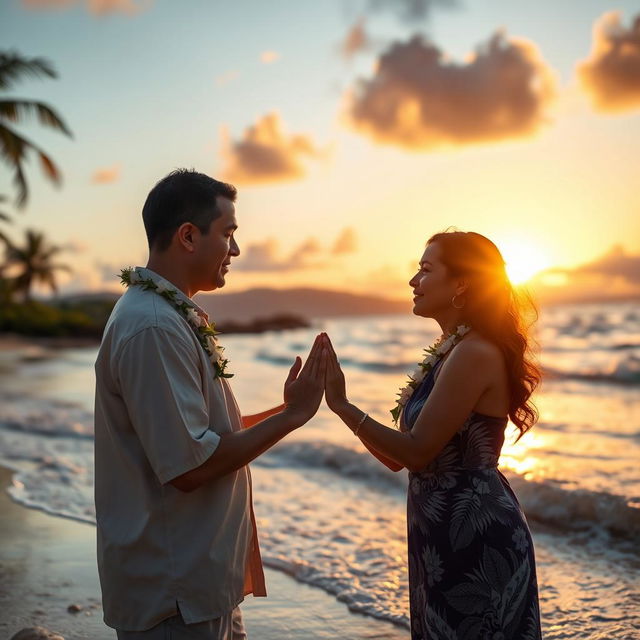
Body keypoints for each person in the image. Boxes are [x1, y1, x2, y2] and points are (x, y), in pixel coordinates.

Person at [94, 169, 326, 640]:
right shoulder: (154, 326)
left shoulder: (169, 314)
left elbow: (197, 433)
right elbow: (188, 468)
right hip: (174, 591)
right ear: (187, 236)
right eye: (228, 234)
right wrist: (291, 418)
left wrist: (286, 410)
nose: (235, 251)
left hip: (196, 583)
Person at [321, 230, 543, 639]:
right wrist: (342, 408)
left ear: (462, 283)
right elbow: (398, 458)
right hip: (440, 532)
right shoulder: (451, 350)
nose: (413, 281)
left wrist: (342, 405)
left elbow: (418, 452)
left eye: (425, 270)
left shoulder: (474, 352)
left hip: (474, 535)